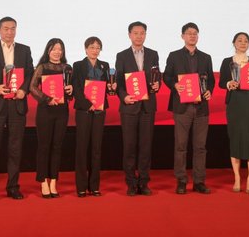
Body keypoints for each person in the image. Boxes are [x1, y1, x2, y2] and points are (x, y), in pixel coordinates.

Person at [0, 16, 33, 202]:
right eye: (6, 28)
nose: (10, 32)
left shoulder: (24, 50)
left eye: (13, 28)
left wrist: (24, 90)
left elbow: (31, 73)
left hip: (17, 104)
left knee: (15, 149)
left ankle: (13, 187)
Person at [163, 22, 215, 194]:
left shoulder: (206, 57)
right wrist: (175, 85)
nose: (192, 36)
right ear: (182, 36)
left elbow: (211, 80)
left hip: (201, 108)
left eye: (195, 33)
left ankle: (199, 181)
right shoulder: (174, 56)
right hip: (182, 107)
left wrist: (209, 91)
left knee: (200, 147)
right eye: (189, 33)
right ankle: (181, 180)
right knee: (181, 146)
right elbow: (167, 77)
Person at [115, 21, 160, 196]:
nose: (139, 36)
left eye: (142, 33)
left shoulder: (153, 54)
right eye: (136, 33)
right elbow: (118, 81)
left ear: (145, 35)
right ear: (129, 35)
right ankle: (131, 183)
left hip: (148, 107)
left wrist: (157, 84)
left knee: (146, 147)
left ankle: (144, 182)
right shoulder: (122, 55)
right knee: (129, 147)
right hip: (129, 106)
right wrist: (123, 96)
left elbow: (157, 76)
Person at [219, 32, 249, 194]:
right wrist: (228, 83)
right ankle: (237, 178)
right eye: (240, 40)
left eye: (246, 41)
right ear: (234, 43)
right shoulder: (227, 61)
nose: (243, 43)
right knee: (235, 139)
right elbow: (221, 82)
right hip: (234, 103)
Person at [29, 38, 73, 198]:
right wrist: (47, 99)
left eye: (60, 49)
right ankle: (43, 181)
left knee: (57, 147)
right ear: (48, 51)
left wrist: (71, 90)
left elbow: (71, 91)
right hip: (45, 111)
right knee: (44, 146)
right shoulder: (42, 67)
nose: (57, 52)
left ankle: (53, 180)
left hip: (62, 111)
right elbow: (32, 87)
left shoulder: (67, 68)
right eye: (54, 49)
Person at [72, 36, 115, 197]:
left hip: (99, 110)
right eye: (92, 47)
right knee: (82, 148)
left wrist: (112, 87)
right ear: (85, 49)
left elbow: (107, 86)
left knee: (96, 148)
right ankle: (81, 186)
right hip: (84, 111)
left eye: (98, 47)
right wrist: (86, 104)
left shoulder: (105, 65)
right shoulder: (78, 65)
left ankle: (94, 186)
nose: (95, 50)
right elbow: (76, 87)